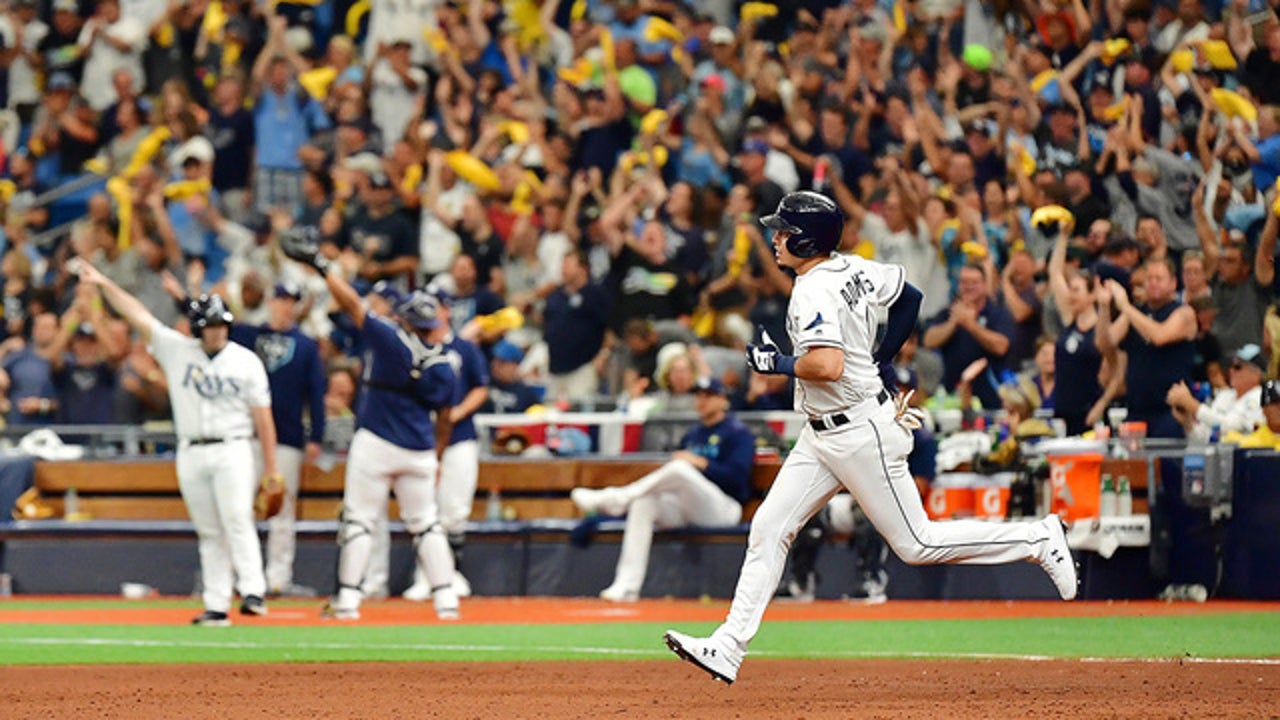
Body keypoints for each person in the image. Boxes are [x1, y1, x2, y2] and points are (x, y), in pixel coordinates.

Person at [663, 192, 1077, 685]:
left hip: (859, 431)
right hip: (823, 434)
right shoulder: (852, 268)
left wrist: (776, 363)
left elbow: (828, 364)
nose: (775, 237)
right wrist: (879, 359)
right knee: (770, 528)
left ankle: (1036, 535)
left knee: (918, 543)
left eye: (782, 229)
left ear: (804, 237)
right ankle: (729, 647)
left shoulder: (813, 288)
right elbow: (910, 298)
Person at [75, 260, 279, 627]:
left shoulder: (246, 361)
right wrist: (105, 282)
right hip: (191, 449)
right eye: (210, 326)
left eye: (220, 325)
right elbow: (138, 314)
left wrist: (272, 467)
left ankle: (253, 590)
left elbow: (263, 417)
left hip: (234, 446)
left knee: (237, 518)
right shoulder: (178, 349)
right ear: (200, 328)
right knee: (209, 530)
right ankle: (217, 604)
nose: (216, 332)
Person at [280, 233, 461, 621]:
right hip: (420, 447)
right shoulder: (446, 362)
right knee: (426, 524)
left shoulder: (394, 341)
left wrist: (323, 266)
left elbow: (351, 304)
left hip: (377, 442)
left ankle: (347, 600)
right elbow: (446, 417)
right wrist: (438, 455)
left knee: (359, 520)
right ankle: (446, 599)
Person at [570, 376, 753, 602]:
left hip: (724, 509)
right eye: (699, 396)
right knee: (644, 503)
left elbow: (738, 479)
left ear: (723, 400)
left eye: (709, 396)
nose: (702, 401)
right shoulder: (693, 434)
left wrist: (701, 464)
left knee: (679, 468)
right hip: (689, 506)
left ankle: (617, 497)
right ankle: (626, 587)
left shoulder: (738, 433)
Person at [229, 282, 327, 598]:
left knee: (282, 509)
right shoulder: (249, 335)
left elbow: (316, 392)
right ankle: (238, 576)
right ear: (270, 301)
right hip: (248, 434)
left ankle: (277, 578)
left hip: (287, 437)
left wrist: (317, 435)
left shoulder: (306, 345)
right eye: (281, 299)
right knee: (239, 506)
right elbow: (213, 325)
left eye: (291, 301)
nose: (285, 306)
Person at [1097, 258, 1197, 439]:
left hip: (1171, 411)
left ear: (1173, 283)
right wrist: (1104, 308)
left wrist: (1126, 307)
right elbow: (1105, 344)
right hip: (1137, 409)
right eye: (1149, 279)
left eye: (1159, 278)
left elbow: (1159, 336)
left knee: (1167, 465)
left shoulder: (1183, 312)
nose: (1153, 283)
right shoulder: (1135, 313)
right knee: (1131, 466)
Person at [1166, 343, 1268, 441]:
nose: (1231, 371)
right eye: (1231, 366)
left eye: (1237, 367)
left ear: (1256, 374)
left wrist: (1192, 405)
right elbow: (1207, 437)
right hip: (1219, 457)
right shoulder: (1225, 396)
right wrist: (1188, 423)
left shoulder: (1260, 397)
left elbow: (1230, 427)